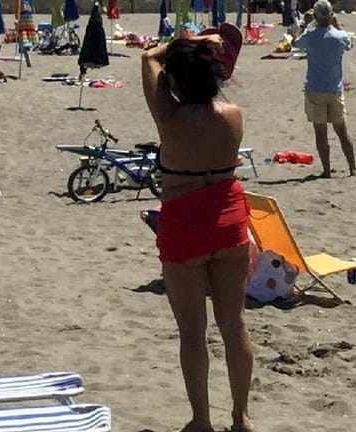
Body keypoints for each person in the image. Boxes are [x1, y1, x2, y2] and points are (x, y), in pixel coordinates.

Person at [141, 30, 253, 432]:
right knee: (234, 323)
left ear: (175, 81)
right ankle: (241, 417)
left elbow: (148, 60)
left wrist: (185, 40)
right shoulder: (233, 115)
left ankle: (201, 420)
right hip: (228, 219)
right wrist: (203, 45)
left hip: (184, 225)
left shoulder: (169, 118)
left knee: (192, 330)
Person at [290, 0, 356, 177]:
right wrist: (337, 24)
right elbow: (350, 44)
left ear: (316, 16)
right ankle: (353, 168)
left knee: (321, 133)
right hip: (334, 89)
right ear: (331, 15)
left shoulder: (310, 36)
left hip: (315, 88)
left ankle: (326, 170)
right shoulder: (339, 36)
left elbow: (295, 43)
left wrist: (304, 23)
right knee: (342, 131)